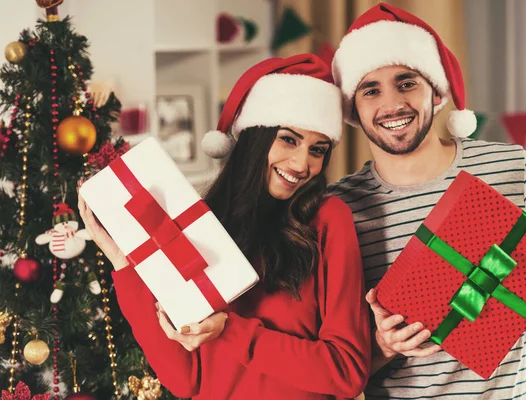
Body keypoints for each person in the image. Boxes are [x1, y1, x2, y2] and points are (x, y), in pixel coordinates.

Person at [327, 3, 526, 399]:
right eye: (370, 89)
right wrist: (382, 346)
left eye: (406, 82)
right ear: (353, 107)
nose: (391, 104)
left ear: (436, 91)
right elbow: (330, 367)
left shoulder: (510, 168)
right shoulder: (339, 208)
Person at [79, 54, 371, 399]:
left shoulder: (327, 219)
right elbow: (184, 379)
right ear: (256, 138)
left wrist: (230, 330)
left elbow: (347, 371)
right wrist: (123, 264)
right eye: (288, 139)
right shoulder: (202, 221)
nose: (302, 163)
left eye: (318, 149)